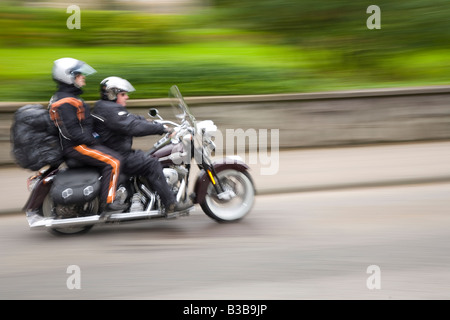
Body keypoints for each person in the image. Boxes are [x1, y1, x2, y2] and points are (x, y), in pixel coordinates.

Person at [92, 76, 188, 214]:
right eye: (123, 94)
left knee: (147, 155)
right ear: (112, 94)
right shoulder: (110, 110)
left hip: (116, 151)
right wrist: (162, 129)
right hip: (119, 155)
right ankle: (170, 204)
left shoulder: (105, 107)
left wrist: (150, 121)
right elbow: (132, 127)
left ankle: (146, 196)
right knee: (152, 164)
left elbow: (130, 118)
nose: (127, 97)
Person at [49, 58, 128, 214]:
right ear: (68, 76)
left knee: (116, 155)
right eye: (79, 74)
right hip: (76, 147)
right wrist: (93, 139)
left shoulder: (68, 97)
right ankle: (108, 203)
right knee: (114, 162)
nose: (83, 77)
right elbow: (71, 131)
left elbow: (83, 123)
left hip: (80, 144)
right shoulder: (65, 101)